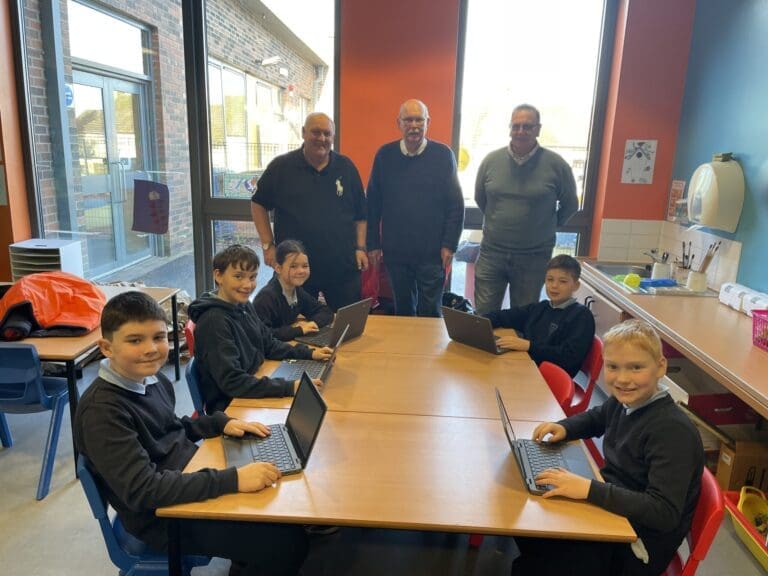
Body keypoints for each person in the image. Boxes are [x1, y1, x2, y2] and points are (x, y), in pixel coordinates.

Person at [74, 291, 308, 575]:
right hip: (162, 517)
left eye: (158, 338)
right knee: (282, 542)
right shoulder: (102, 412)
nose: (151, 349)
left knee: (281, 507)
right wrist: (232, 479)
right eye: (135, 340)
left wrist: (219, 424)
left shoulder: (152, 379)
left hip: (188, 476)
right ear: (106, 348)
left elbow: (169, 430)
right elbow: (144, 490)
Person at [511, 319, 704, 576]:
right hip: (614, 512)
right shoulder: (626, 401)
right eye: (613, 367)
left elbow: (663, 512)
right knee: (534, 527)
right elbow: (598, 417)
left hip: (636, 546)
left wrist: (589, 490)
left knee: (539, 554)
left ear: (660, 367)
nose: (623, 379)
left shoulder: (671, 431)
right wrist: (565, 427)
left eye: (636, 367)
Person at [188, 244, 332, 414]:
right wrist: (288, 387)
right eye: (238, 276)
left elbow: (268, 344)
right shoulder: (214, 322)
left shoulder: (242, 304)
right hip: (231, 407)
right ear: (218, 275)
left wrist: (309, 353)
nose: (247, 285)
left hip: (253, 383)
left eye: (252, 277)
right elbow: (233, 382)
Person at [251, 112, 368, 311]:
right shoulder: (281, 167)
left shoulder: (346, 167)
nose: (321, 138)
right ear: (304, 133)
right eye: (315, 132)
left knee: (350, 326)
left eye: (327, 133)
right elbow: (258, 204)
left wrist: (360, 248)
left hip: (342, 266)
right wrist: (267, 245)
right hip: (295, 267)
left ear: (333, 137)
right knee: (297, 326)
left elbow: (361, 214)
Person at [474, 103, 579, 314]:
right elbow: (481, 199)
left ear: (538, 129)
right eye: (516, 126)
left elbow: (570, 205)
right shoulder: (490, 161)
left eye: (527, 126)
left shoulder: (556, 165)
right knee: (484, 315)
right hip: (492, 253)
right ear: (510, 128)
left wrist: (545, 226)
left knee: (523, 316)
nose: (521, 131)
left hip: (534, 256)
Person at [366, 99, 464, 317]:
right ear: (399, 123)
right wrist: (372, 244)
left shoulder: (443, 155)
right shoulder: (385, 155)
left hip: (432, 253)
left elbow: (455, 205)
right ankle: (407, 351)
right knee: (403, 310)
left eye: (419, 119)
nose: (414, 125)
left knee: (430, 311)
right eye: (408, 120)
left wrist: (450, 244)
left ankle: (429, 352)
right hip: (396, 252)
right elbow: (372, 204)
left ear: (427, 122)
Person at [484, 255, 594, 377]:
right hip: (529, 367)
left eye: (562, 281)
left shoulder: (581, 316)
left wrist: (529, 346)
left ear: (576, 285)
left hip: (552, 378)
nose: (554, 286)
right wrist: (480, 321)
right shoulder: (541, 308)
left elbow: (568, 356)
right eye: (550, 279)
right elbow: (506, 316)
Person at [253, 239, 334, 341]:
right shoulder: (266, 298)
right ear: (278, 268)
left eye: (305, 266)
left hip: (287, 346)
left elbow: (325, 311)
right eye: (293, 266)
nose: (301, 271)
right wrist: (298, 330)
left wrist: (311, 324)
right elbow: (262, 335)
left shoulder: (297, 291)